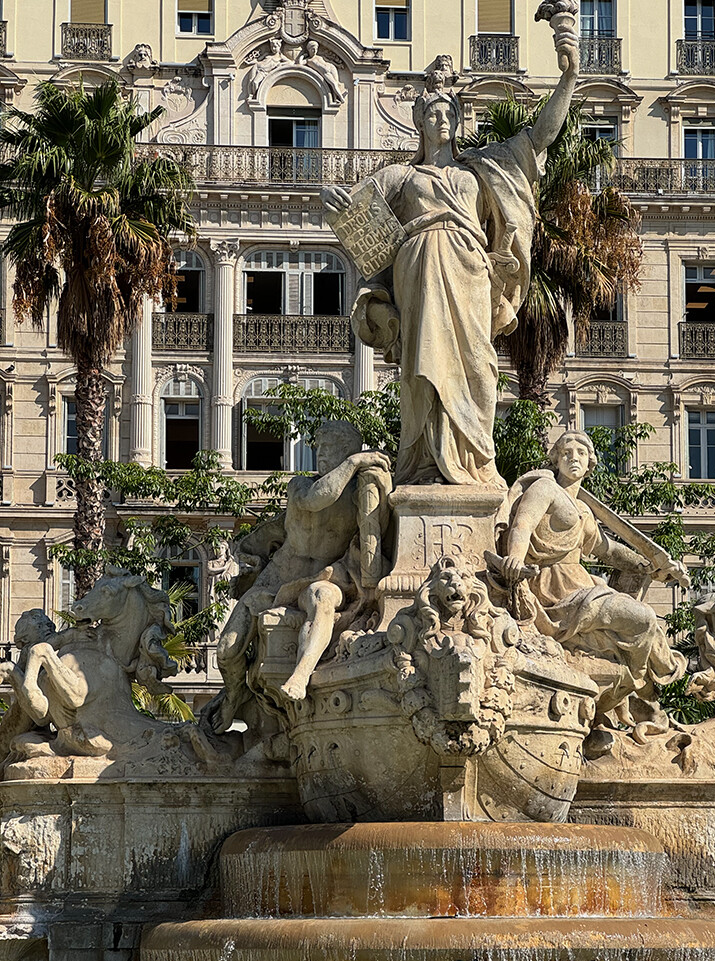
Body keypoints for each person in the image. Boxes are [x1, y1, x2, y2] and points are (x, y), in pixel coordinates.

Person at [320, 24, 580, 487]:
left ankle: (475, 463)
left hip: (470, 271)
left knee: (478, 367)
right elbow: (354, 215)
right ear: (419, 122)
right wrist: (332, 200)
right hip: (418, 269)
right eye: (433, 113)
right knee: (422, 368)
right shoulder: (402, 176)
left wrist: (569, 77)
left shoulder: (482, 167)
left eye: (449, 114)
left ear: (459, 122)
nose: (442, 120)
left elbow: (540, 136)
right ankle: (422, 466)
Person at [207, 422, 391, 731]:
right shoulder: (301, 485)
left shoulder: (361, 492)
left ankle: (302, 674)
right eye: (319, 449)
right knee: (227, 650)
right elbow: (317, 499)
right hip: (277, 579)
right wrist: (355, 461)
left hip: (328, 577)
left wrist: (379, 482)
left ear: (347, 450)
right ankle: (234, 696)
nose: (321, 456)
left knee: (321, 598)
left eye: (330, 450)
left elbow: (378, 527)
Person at [495, 430, 687, 727]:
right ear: (556, 460)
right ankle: (650, 679)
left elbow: (606, 550)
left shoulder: (583, 509)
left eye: (581, 454)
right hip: (552, 586)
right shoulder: (545, 488)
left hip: (579, 582)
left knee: (641, 625)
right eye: (566, 452)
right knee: (644, 619)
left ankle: (628, 687)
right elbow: (522, 525)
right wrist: (515, 560)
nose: (573, 458)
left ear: (590, 464)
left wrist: (649, 567)